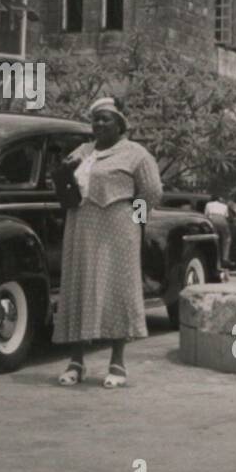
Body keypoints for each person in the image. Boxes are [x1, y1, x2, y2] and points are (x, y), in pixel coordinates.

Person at [54, 96, 162, 390]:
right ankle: (76, 361)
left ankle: (117, 362)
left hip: (118, 229)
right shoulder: (83, 151)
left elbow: (151, 192)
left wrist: (134, 224)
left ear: (120, 124)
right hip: (81, 227)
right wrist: (65, 171)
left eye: (106, 119)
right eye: (96, 119)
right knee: (80, 287)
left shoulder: (135, 154)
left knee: (117, 290)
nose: (99, 124)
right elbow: (65, 187)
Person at [204, 190, 232, 269]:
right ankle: (225, 257)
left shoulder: (208, 204)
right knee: (227, 238)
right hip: (222, 220)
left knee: (214, 239)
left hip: (212, 219)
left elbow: (206, 215)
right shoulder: (224, 206)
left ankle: (215, 258)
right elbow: (226, 216)